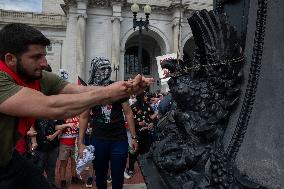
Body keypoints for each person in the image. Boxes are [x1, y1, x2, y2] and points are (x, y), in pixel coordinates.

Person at [0, 23, 152, 189]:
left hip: (8, 159)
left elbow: (81, 91)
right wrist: (109, 92)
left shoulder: (39, 76)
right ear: (10, 59)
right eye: (36, 57)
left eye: (44, 55)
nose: (44, 63)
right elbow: (52, 107)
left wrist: (128, 88)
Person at [78, 57, 138, 189]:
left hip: (119, 139)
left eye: (108, 68)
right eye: (103, 68)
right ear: (95, 70)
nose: (106, 72)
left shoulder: (118, 88)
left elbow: (128, 112)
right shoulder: (90, 90)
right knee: (100, 177)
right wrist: (80, 142)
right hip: (98, 139)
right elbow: (84, 116)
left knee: (118, 177)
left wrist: (134, 138)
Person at [124, 92, 157, 179]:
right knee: (133, 152)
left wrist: (152, 124)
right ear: (141, 96)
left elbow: (153, 117)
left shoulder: (148, 106)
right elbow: (128, 120)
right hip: (136, 134)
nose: (147, 97)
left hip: (147, 134)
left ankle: (147, 169)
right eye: (145, 96)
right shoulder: (133, 107)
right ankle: (130, 169)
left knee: (147, 152)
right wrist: (138, 123)